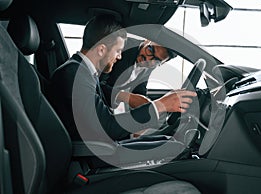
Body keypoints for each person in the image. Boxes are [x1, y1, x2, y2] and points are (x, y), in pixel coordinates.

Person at [49, 15, 197, 142]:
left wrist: (138, 123)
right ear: (101, 50)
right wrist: (160, 105)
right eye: (118, 51)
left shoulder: (83, 71)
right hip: (89, 151)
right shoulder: (75, 74)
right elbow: (107, 128)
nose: (119, 57)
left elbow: (103, 112)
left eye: (156, 60)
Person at [100, 38, 177, 110]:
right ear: (147, 41)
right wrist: (125, 97)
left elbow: (139, 90)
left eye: (156, 60)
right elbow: (97, 82)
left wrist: (153, 107)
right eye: (150, 50)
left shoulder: (151, 64)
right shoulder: (122, 46)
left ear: (162, 63)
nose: (147, 59)